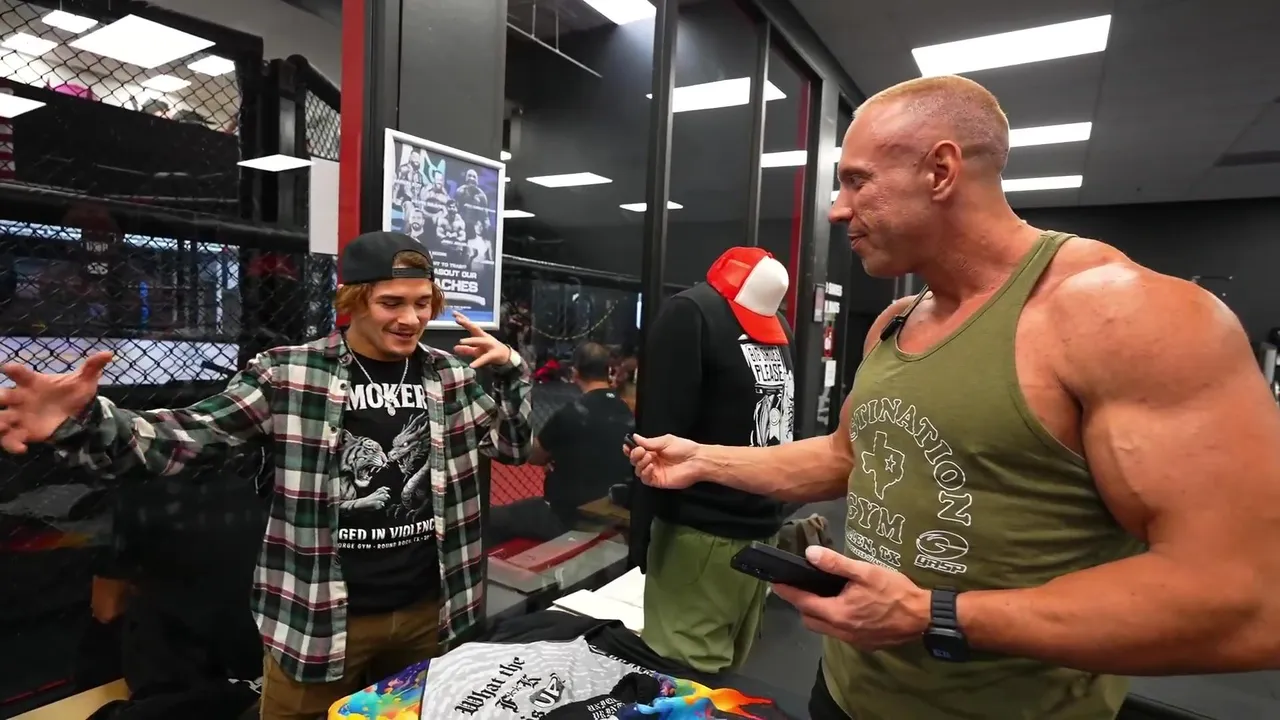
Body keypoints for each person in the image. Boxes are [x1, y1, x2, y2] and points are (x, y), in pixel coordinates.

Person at [624, 75, 1280, 720]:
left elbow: (1249, 599)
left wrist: (935, 615)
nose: (837, 210)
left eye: (857, 182)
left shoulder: (1127, 316)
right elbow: (845, 456)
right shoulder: (899, 319)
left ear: (940, 171)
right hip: (846, 691)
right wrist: (703, 459)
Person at [0, 230, 533, 720]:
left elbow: (511, 448)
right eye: (391, 303)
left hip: (431, 608)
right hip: (321, 618)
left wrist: (512, 372)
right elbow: (189, 435)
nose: (411, 319)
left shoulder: (450, 376)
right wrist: (87, 421)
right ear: (352, 302)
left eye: (421, 303)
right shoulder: (290, 373)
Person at [488, 342, 634, 547]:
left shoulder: (572, 412)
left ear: (575, 373)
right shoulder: (626, 409)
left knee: (492, 518)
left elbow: (533, 455)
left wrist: (554, 453)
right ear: (607, 371)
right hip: (613, 511)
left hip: (570, 518)